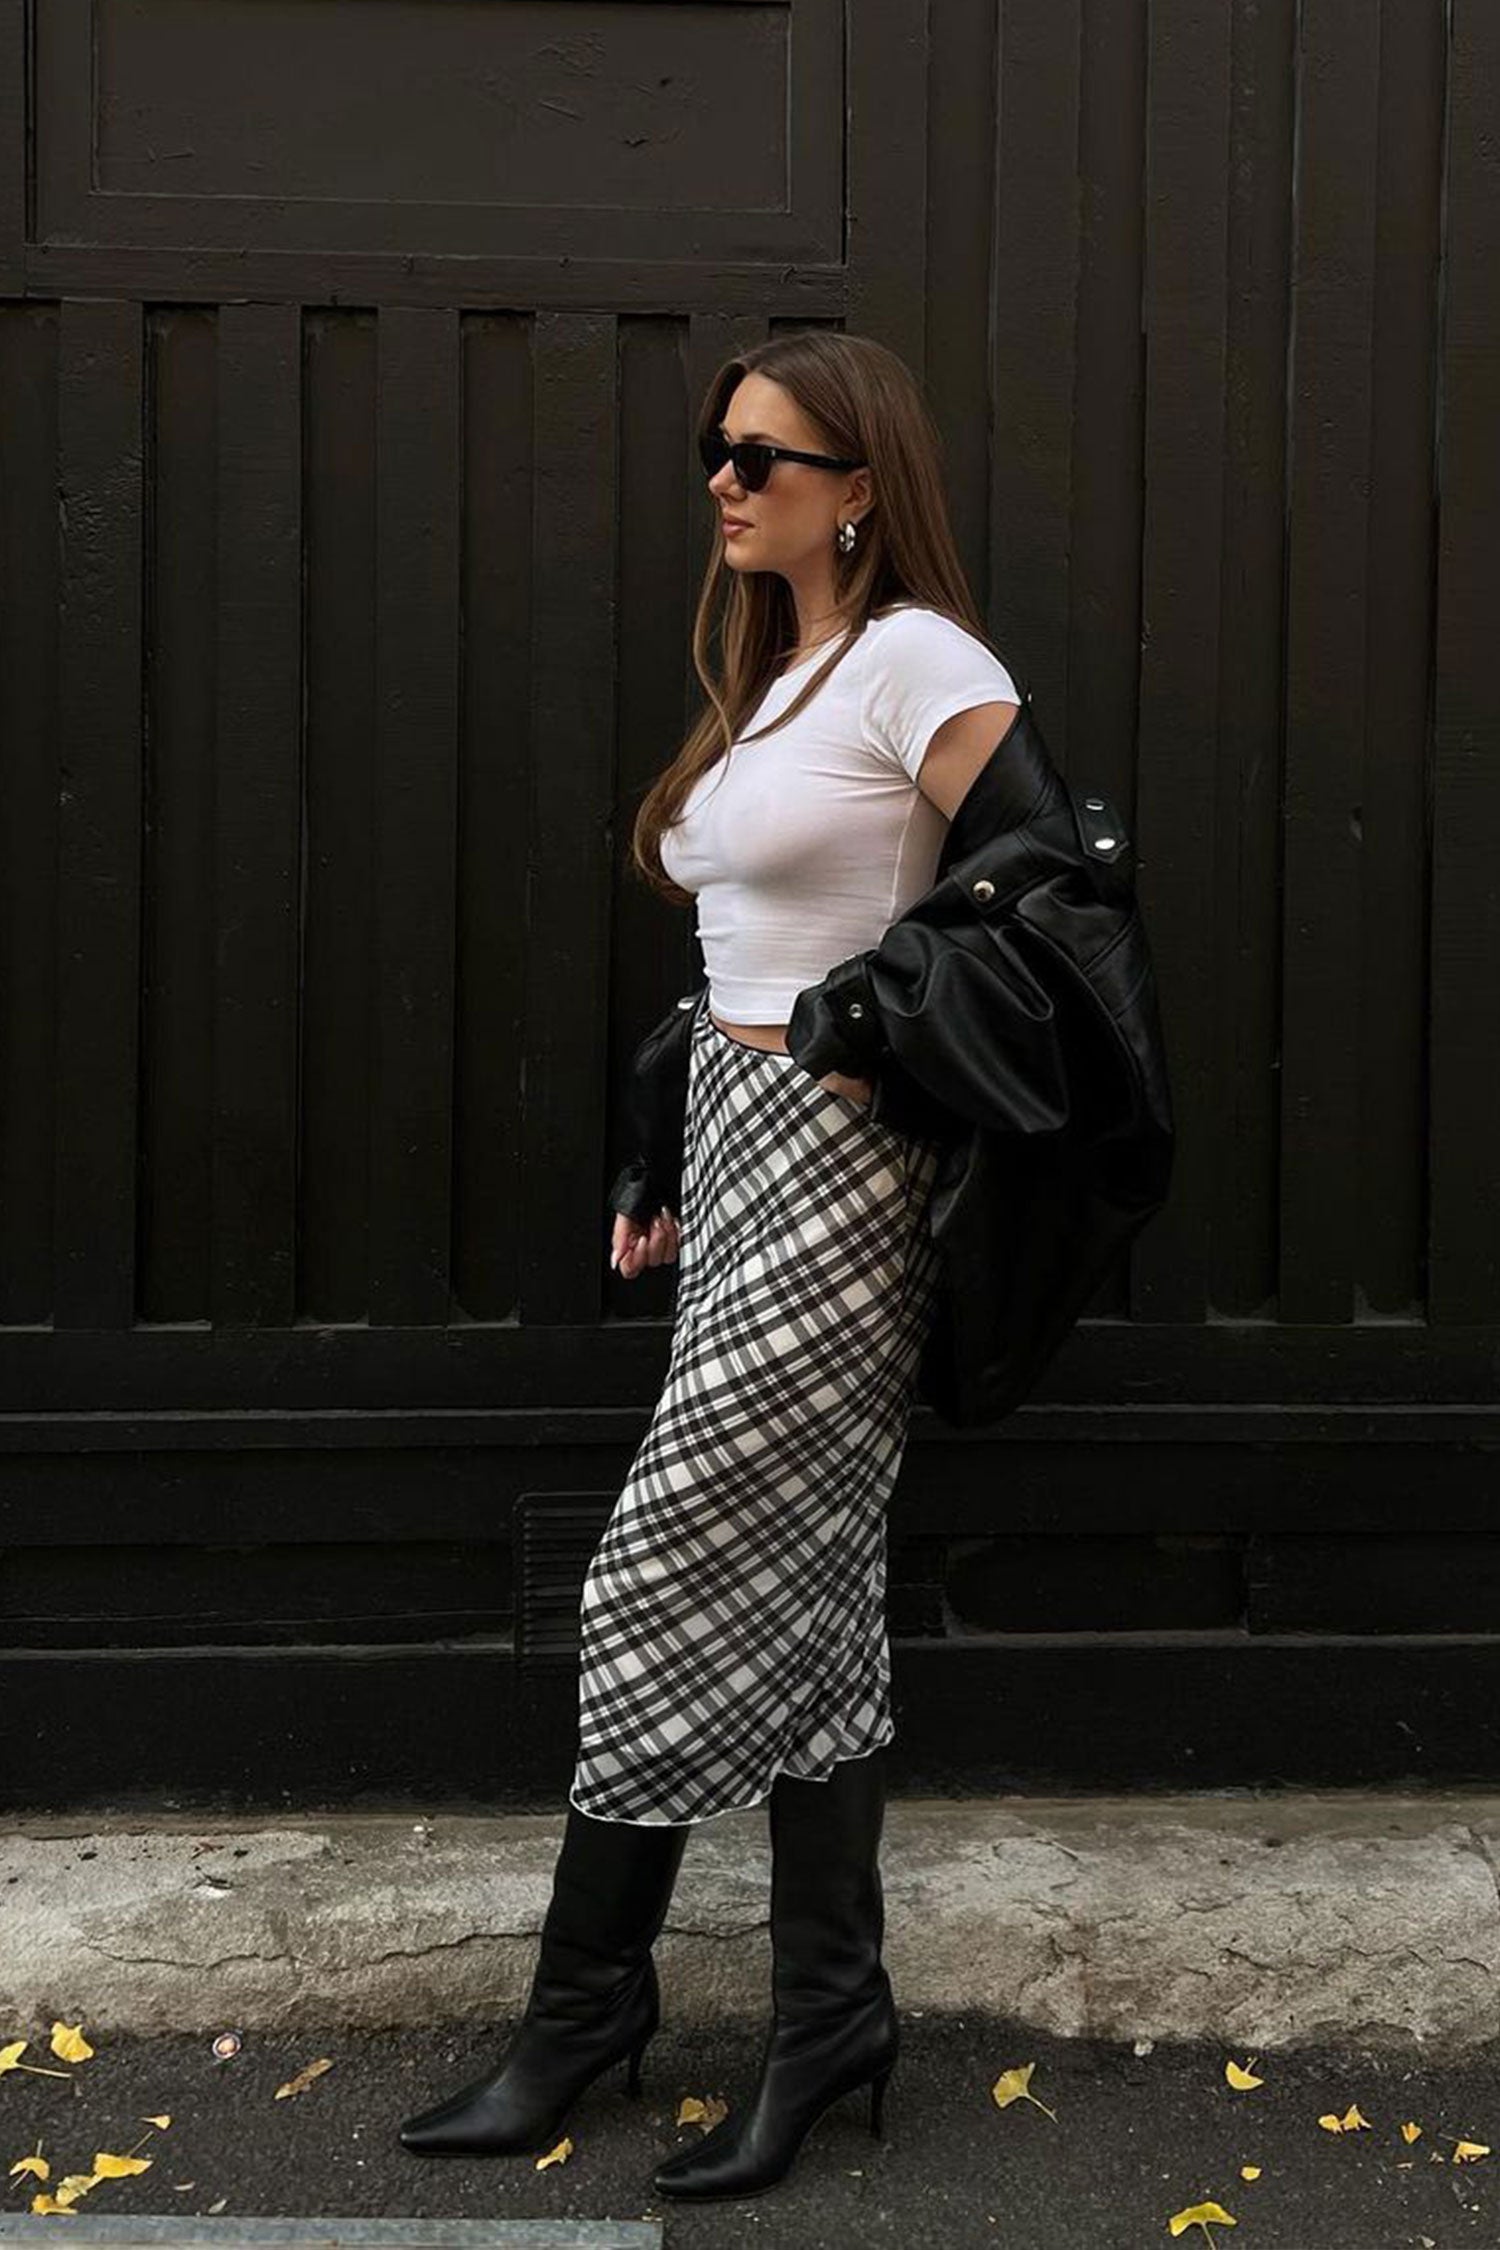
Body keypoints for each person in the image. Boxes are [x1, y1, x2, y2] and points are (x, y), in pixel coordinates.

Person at [398, 330, 1024, 2202]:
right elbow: (730, 959)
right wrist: (664, 1139)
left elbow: (1052, 902)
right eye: (718, 450)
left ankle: (583, 2010)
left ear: (860, 486)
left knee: (651, 1569)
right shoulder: (777, 674)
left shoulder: (922, 662)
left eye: (765, 455)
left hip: (843, 1171)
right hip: (742, 1152)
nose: (725, 481)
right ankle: (830, 2013)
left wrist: (875, 1037)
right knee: (814, 1591)